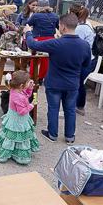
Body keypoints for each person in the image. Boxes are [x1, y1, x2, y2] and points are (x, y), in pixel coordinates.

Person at [24, 14, 91, 143]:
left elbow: (33, 44)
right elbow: (86, 64)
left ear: (63, 26)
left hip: (54, 83)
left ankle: (52, 134)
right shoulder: (84, 45)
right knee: (70, 110)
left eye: (59, 25)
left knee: (53, 108)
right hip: (72, 83)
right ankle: (69, 136)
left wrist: (28, 32)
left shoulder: (56, 43)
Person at [0, 71, 40, 165]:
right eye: (28, 82)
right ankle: (18, 156)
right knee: (19, 136)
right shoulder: (19, 97)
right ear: (21, 85)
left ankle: (9, 150)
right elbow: (22, 111)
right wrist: (32, 105)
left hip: (13, 117)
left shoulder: (14, 90)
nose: (30, 82)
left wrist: (30, 88)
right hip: (19, 120)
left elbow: (26, 94)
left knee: (10, 135)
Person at [70, 6, 96, 116]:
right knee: (79, 83)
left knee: (77, 83)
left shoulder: (80, 28)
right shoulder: (87, 23)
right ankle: (78, 106)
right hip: (89, 58)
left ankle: (78, 106)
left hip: (84, 60)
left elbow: (76, 46)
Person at [27, 0, 59, 81]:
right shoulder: (55, 15)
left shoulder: (36, 15)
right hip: (51, 39)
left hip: (38, 38)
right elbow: (58, 27)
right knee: (46, 60)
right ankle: (41, 77)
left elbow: (28, 24)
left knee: (35, 58)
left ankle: (32, 76)